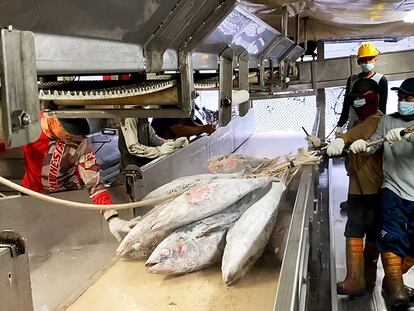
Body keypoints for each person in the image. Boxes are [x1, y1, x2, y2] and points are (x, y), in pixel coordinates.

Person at [349, 78, 414, 309]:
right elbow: (375, 144)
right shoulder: (387, 121)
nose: (403, 102)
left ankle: (391, 281)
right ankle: (396, 288)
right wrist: (362, 146)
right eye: (401, 97)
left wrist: (408, 134)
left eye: (409, 98)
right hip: (393, 189)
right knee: (392, 237)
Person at [22, 114, 138, 241]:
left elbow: (94, 183)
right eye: (69, 132)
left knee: (73, 241)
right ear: (55, 121)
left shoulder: (81, 142)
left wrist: (112, 218)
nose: (72, 136)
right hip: (33, 200)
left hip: (70, 199)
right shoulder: (29, 126)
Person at [326, 78, 384, 296]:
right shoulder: (359, 123)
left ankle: (359, 280)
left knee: (360, 231)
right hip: (358, 187)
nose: (358, 103)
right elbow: (349, 142)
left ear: (374, 98)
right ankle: (361, 279)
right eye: (355, 99)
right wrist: (323, 145)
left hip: (371, 188)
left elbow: (356, 137)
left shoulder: (377, 120)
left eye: (362, 98)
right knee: (360, 231)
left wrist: (343, 139)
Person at [335, 43, 388, 136]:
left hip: (372, 128)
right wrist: (340, 125)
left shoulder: (381, 80)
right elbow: (346, 104)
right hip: (353, 125)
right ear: (358, 61)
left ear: (375, 59)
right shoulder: (352, 80)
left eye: (370, 59)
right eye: (363, 59)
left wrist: (381, 127)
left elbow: (382, 107)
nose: (367, 62)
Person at [118, 118, 188, 170]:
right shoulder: (129, 117)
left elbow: (153, 139)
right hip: (131, 172)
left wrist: (174, 143)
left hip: (144, 168)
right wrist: (159, 151)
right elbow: (133, 147)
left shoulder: (140, 112)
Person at [151, 117, 216, 140]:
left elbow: (192, 125)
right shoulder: (169, 109)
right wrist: (203, 129)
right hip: (159, 152)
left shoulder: (183, 111)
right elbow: (179, 130)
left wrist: (207, 128)